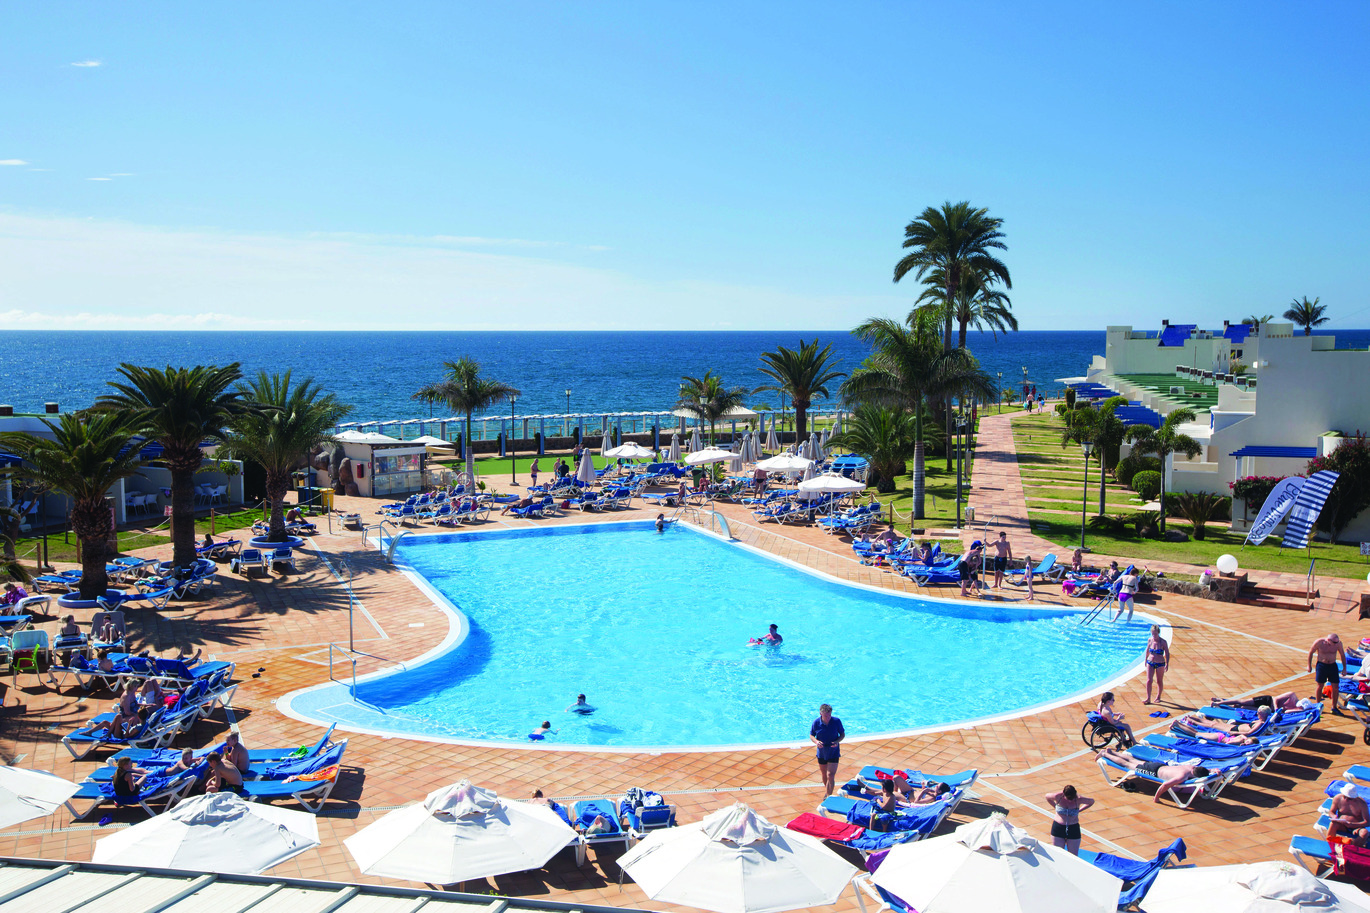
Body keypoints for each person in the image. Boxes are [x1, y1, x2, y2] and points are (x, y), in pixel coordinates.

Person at [1097, 749, 1210, 805]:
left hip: (1159, 765)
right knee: (1128, 765)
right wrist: (1157, 798)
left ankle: (1111, 752)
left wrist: (1214, 771)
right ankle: (1105, 754)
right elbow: (1165, 785)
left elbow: (1207, 770)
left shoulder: (1191, 767)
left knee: (1133, 760)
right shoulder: (1182, 776)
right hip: (1153, 772)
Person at [1045, 785, 1094, 855]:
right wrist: (1056, 807)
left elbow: (1091, 801)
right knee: (1058, 854)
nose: (1070, 800)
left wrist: (1080, 810)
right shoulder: (1058, 796)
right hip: (1058, 828)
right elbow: (1047, 797)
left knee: (1073, 855)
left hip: (1073, 828)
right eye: (1068, 798)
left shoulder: (1079, 799)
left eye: (1072, 798)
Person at [1173, 705, 1271, 739]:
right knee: (1213, 724)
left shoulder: (1259, 723)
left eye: (1259, 712)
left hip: (1234, 729)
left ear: (1263, 714)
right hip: (1235, 727)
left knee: (1212, 725)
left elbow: (1249, 732)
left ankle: (1192, 721)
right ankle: (1192, 719)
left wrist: (1235, 732)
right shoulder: (1260, 721)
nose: (1257, 713)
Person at [810, 703, 844, 797]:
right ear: (821, 713)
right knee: (824, 774)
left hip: (833, 752)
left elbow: (842, 734)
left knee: (830, 775)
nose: (828, 717)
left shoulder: (836, 721)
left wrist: (837, 741)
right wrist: (816, 742)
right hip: (822, 753)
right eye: (826, 715)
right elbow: (811, 735)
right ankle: (827, 791)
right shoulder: (816, 722)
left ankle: (829, 795)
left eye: (829, 715)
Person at [1310, 633, 1348, 714]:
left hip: (1332, 665)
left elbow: (1342, 654)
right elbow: (1311, 652)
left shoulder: (1338, 644)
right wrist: (1309, 665)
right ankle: (1318, 705)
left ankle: (1334, 707)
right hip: (1322, 665)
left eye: (1337, 642)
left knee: (1336, 687)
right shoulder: (1319, 642)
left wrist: (1345, 668)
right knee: (1320, 685)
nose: (1336, 644)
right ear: (1328, 640)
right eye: (1334, 642)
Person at [1144, 626, 1171, 704]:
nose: (1154, 635)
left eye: (1155, 634)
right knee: (1149, 680)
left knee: (1159, 681)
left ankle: (1158, 696)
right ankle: (1148, 698)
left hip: (1160, 663)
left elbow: (1167, 653)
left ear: (1158, 633)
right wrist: (1145, 659)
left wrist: (1167, 663)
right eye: (1152, 634)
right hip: (1150, 662)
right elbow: (1147, 650)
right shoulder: (1150, 640)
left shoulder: (1163, 642)